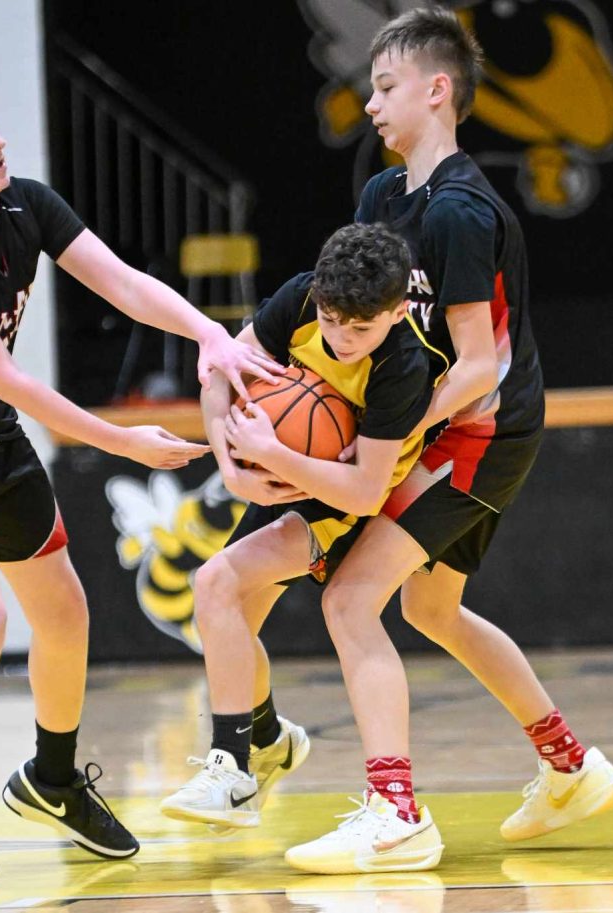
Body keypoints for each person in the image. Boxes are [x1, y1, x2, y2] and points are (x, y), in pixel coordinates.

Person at [0, 75, 282, 889]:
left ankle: (52, 777)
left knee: (65, 613)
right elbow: (14, 381)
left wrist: (208, 336)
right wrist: (122, 439)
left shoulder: (27, 207)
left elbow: (120, 282)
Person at [282, 8, 613, 874]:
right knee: (428, 608)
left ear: (438, 90)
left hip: (484, 427)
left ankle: (395, 808)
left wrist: (396, 429)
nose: (368, 104)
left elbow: (477, 364)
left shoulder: (466, 212)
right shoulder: (381, 199)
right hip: (447, 428)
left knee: (349, 600)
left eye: (386, 85)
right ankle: (569, 764)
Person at [158, 223, 448, 869]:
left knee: (214, 583)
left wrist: (272, 453)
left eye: (361, 328)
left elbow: (366, 492)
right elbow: (220, 373)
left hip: (339, 495)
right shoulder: (296, 299)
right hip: (281, 470)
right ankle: (266, 736)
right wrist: (233, 465)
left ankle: (234, 769)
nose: (343, 338)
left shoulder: (401, 364)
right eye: (333, 320)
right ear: (317, 293)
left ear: (398, 311)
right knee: (227, 626)